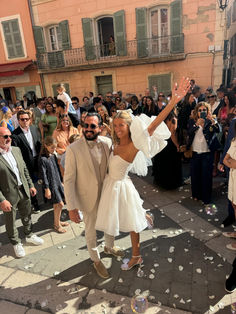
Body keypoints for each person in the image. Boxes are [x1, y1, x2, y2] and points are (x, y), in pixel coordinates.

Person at [95, 78, 190, 270]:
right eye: (116, 125)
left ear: (130, 127)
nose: (118, 128)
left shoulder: (133, 145)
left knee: (132, 224)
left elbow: (153, 125)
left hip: (120, 187)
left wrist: (173, 101)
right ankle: (142, 215)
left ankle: (136, 256)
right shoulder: (115, 142)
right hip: (112, 185)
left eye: (122, 125)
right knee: (121, 218)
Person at [64, 112, 124, 279]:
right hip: (86, 199)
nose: (88, 129)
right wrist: (71, 207)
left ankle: (109, 247)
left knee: (110, 223)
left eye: (92, 126)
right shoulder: (72, 149)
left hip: (106, 195)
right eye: (86, 125)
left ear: (99, 127)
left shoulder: (107, 143)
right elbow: (68, 180)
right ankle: (96, 260)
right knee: (90, 232)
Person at [0, 127, 44, 258]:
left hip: (23, 190)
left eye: (10, 136)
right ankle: (15, 243)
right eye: (5, 137)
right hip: (9, 195)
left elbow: (24, 170)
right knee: (11, 221)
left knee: (27, 214)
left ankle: (29, 235)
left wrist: (30, 185)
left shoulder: (16, 150)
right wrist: (2, 200)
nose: (9, 139)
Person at [187, 102, 220, 205]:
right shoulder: (192, 120)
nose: (202, 112)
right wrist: (196, 124)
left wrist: (212, 121)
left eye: (204, 110)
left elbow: (218, 130)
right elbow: (189, 132)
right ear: (197, 112)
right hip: (195, 152)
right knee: (195, 175)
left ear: (207, 111)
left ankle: (206, 198)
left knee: (206, 176)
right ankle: (196, 195)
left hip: (207, 153)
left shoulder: (211, 120)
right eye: (200, 110)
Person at [12, 110, 42, 213]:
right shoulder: (15, 134)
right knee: (30, 184)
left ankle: (47, 197)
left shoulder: (34, 128)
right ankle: (35, 203)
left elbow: (38, 142)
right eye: (22, 119)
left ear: (30, 119)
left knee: (41, 179)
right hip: (25, 163)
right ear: (18, 120)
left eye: (27, 119)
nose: (25, 121)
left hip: (37, 159)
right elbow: (16, 151)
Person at [38, 136, 69, 233]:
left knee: (57, 205)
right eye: (52, 147)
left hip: (57, 182)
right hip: (51, 185)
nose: (54, 149)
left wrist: (61, 181)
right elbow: (43, 175)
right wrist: (47, 188)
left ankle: (57, 221)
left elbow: (57, 169)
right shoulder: (42, 159)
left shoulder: (53, 156)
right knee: (60, 204)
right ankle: (56, 225)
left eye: (55, 147)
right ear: (46, 146)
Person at [152, 111, 182, 189]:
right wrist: (177, 145)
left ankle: (161, 182)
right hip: (170, 144)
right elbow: (172, 133)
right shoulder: (173, 120)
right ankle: (171, 184)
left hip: (162, 143)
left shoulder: (162, 120)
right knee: (171, 164)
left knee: (162, 163)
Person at [222, 122, 236, 250]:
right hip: (233, 175)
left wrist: (230, 162)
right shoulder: (234, 139)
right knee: (234, 204)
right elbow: (227, 158)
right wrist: (226, 161)